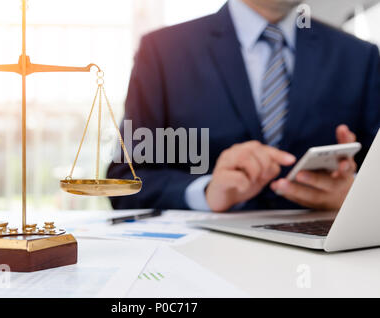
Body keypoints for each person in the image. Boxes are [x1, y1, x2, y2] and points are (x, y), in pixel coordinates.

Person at [107, 0, 380, 212]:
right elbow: (123, 182)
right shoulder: (163, 51)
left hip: (326, 264)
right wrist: (206, 192)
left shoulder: (359, 57)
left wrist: (357, 196)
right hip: (199, 265)